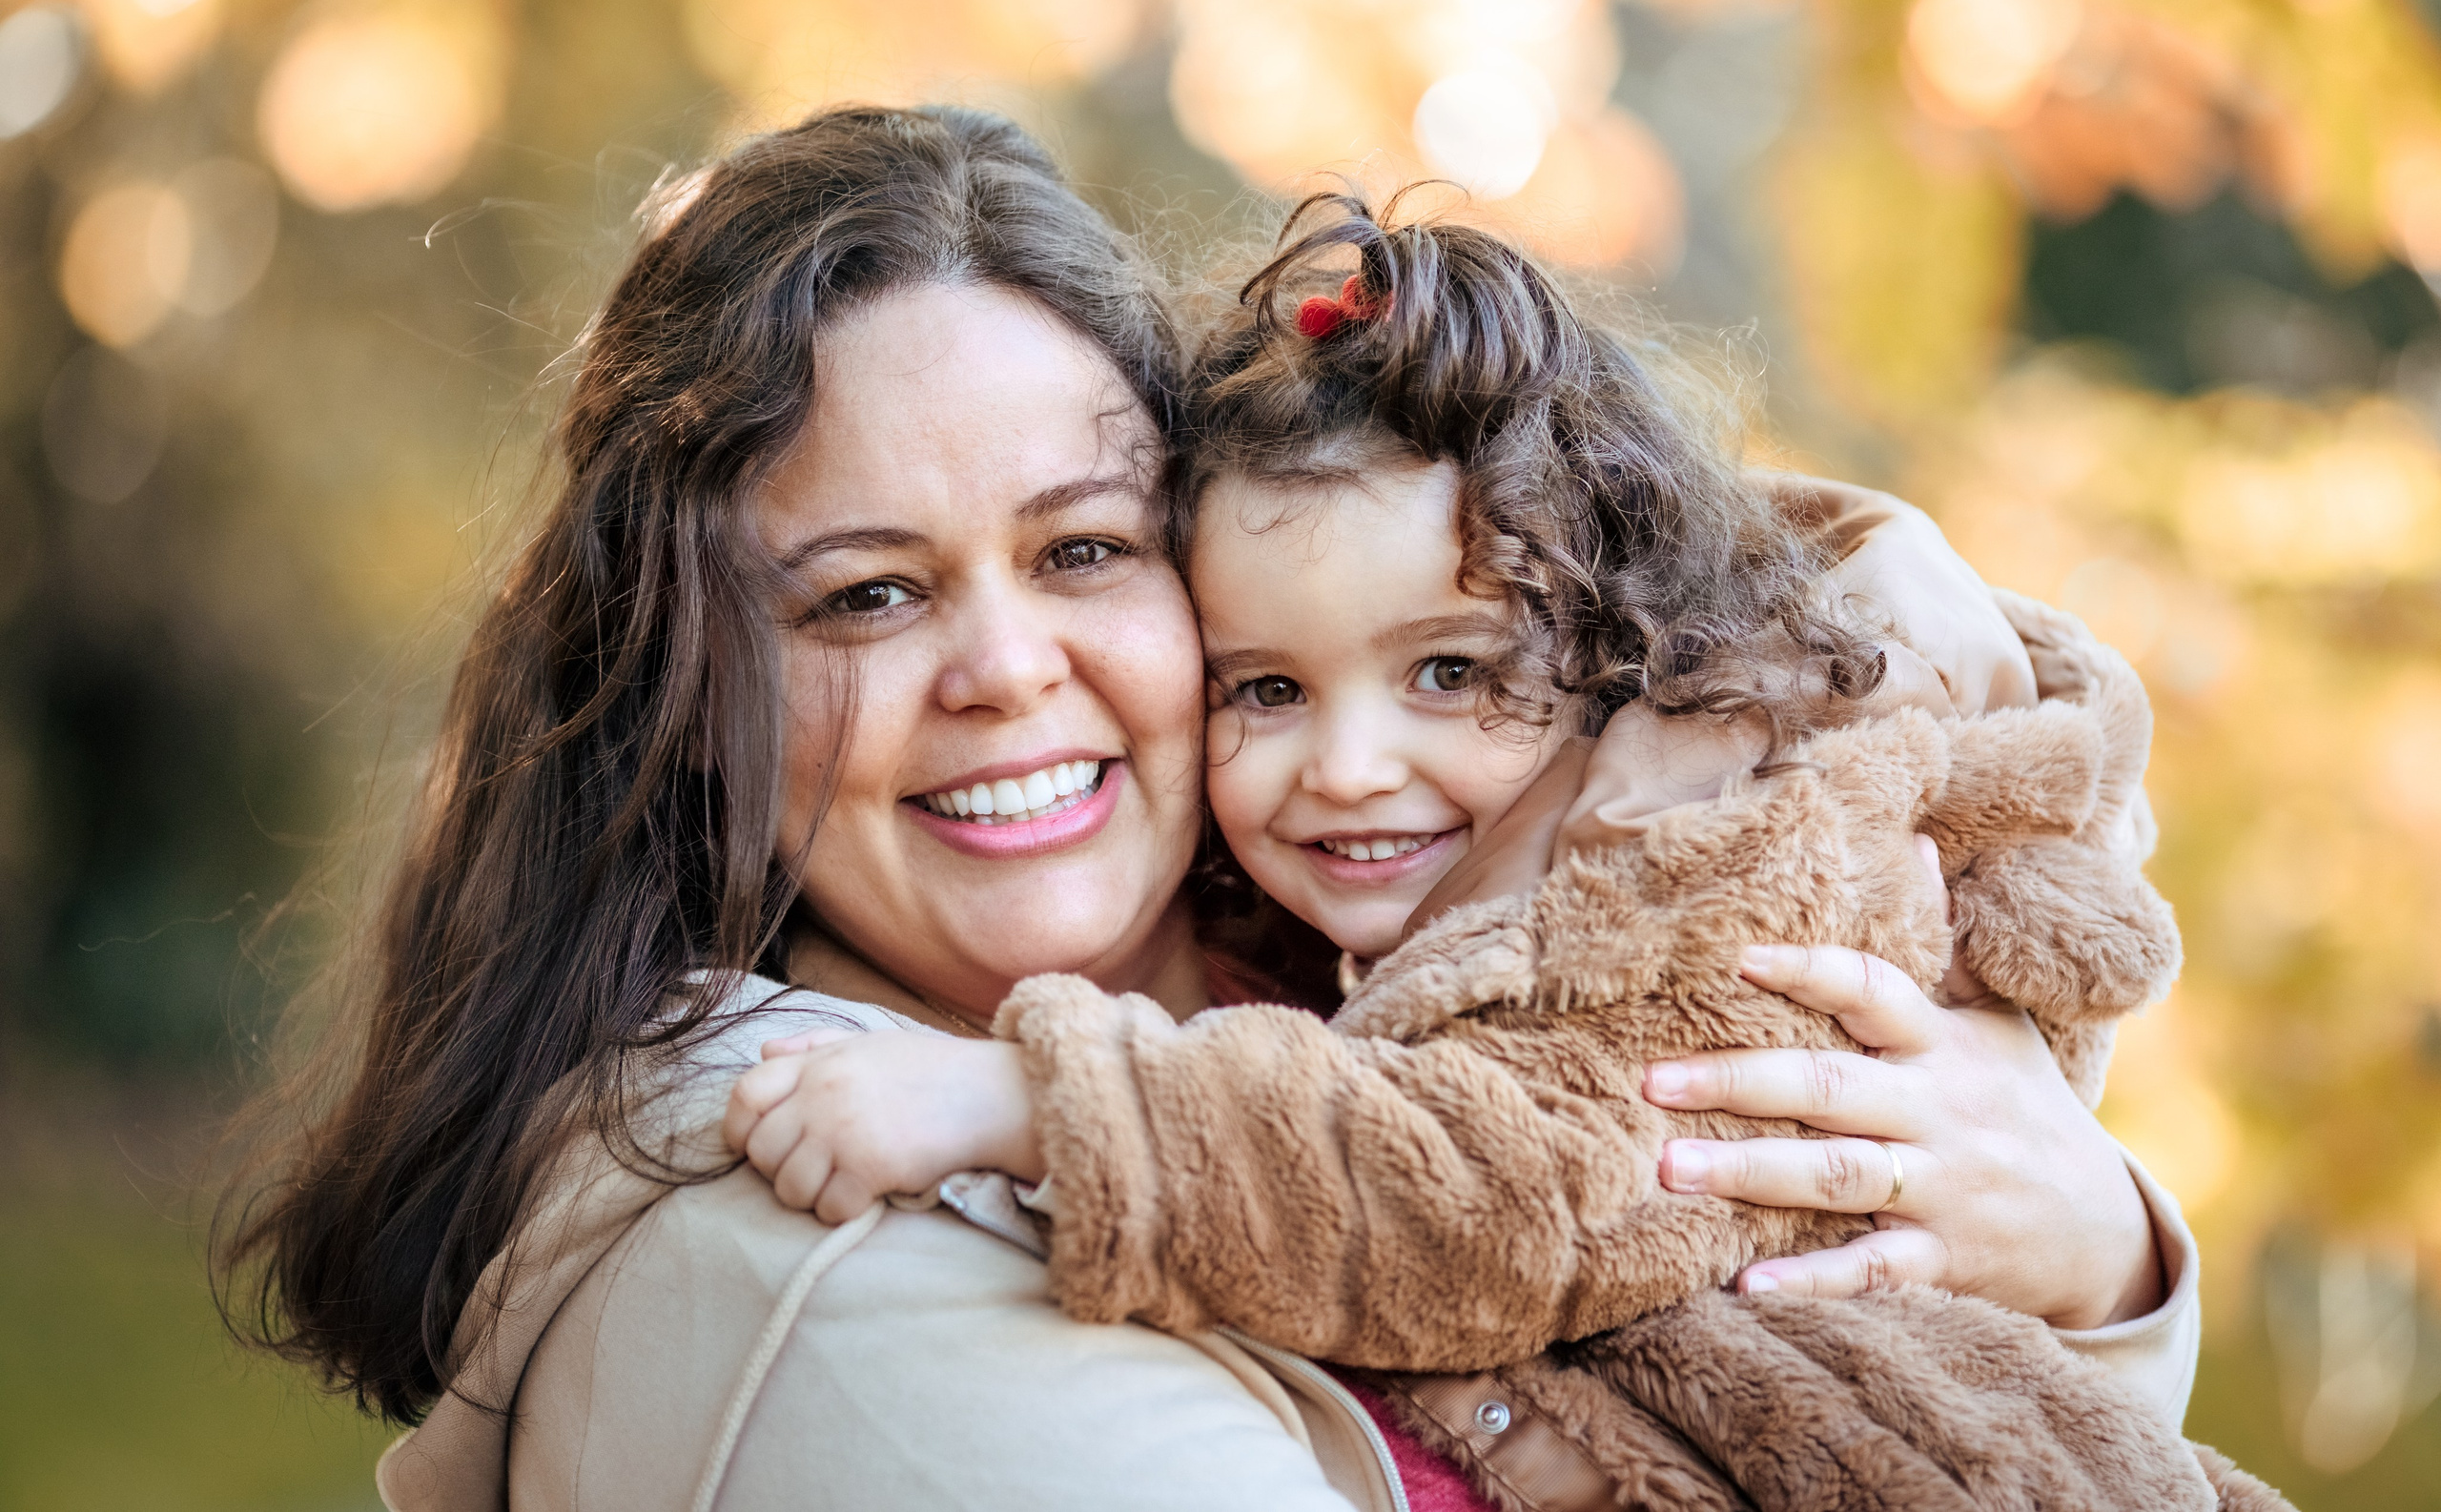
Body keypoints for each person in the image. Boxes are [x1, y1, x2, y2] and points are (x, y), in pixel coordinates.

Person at [218, 106, 2199, 1512]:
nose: (1003, 668)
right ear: (680, 685)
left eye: (1080, 550)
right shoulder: (810, 1242)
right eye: (869, 592)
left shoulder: (1377, 961)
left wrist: (2088, 1250)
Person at [716, 194, 2266, 1508]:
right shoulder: (1371, 932)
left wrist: (1032, 1098)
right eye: (1265, 687)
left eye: (1451, 673)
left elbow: (1483, 1192)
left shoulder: (1658, 901)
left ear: (1617, 652)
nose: (1348, 768)